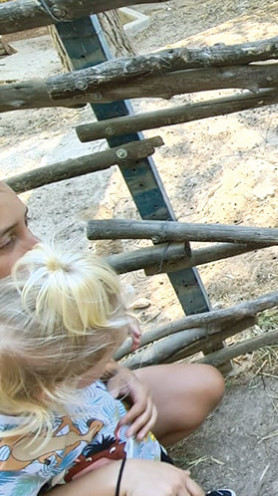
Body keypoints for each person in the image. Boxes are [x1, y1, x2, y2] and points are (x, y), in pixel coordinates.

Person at [0, 182, 229, 495]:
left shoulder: (18, 314)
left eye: (27, 224)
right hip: (46, 456)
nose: (37, 247)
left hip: (86, 428)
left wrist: (111, 370)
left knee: (200, 385)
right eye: (4, 242)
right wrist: (117, 479)